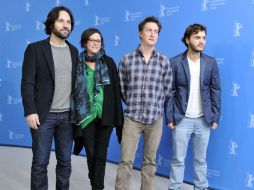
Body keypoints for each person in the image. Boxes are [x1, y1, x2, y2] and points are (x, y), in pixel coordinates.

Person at [21, 6, 78, 190]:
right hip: (43, 117)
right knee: (40, 164)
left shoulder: (74, 51)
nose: (65, 25)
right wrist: (30, 111)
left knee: (65, 164)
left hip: (67, 118)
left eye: (68, 22)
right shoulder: (35, 49)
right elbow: (27, 83)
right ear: (51, 23)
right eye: (61, 21)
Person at [115, 16, 173, 190]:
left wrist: (154, 104)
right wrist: (133, 103)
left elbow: (167, 89)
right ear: (140, 33)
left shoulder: (164, 61)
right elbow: (122, 87)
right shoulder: (127, 59)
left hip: (155, 119)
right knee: (126, 160)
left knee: (150, 161)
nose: (152, 34)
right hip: (132, 118)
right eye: (149, 30)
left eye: (156, 31)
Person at [165, 24, 221, 190]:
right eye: (197, 37)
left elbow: (215, 90)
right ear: (188, 39)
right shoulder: (175, 62)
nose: (201, 41)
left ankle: (201, 187)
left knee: (200, 159)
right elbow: (169, 92)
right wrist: (170, 117)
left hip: (204, 120)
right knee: (178, 159)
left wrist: (215, 116)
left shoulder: (210, 62)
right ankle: (175, 187)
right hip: (182, 119)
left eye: (203, 37)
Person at [70, 28, 123, 190]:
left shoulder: (109, 62)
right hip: (85, 116)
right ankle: (96, 183)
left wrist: (118, 117)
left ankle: (97, 187)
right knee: (91, 155)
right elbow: (72, 91)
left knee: (101, 155)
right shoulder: (77, 62)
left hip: (105, 116)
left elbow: (115, 92)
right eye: (92, 40)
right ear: (85, 42)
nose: (95, 43)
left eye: (98, 41)